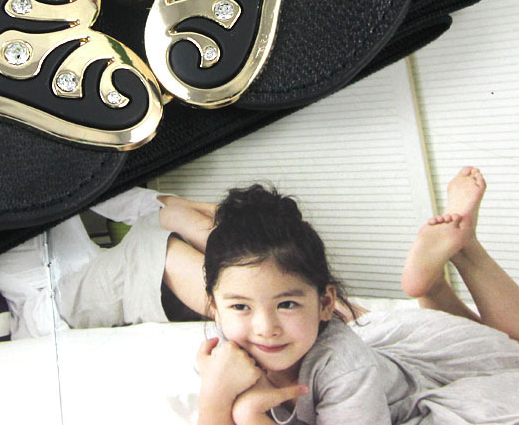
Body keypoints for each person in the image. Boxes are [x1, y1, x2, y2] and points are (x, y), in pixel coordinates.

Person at [196, 167, 519, 425]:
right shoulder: (229, 352)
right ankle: (436, 281)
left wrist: (248, 415)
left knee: (514, 350)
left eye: (287, 304)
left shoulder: (345, 369)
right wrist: (215, 392)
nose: (266, 328)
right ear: (215, 309)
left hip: (420, 387)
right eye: (240, 306)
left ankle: (462, 252)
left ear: (326, 303)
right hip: (389, 362)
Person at [0, 189, 214, 337]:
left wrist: (177, 204)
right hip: (50, 306)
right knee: (150, 249)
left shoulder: (34, 161)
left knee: (173, 216)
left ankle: (236, 293)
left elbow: (108, 195)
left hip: (93, 273)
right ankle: (236, 307)